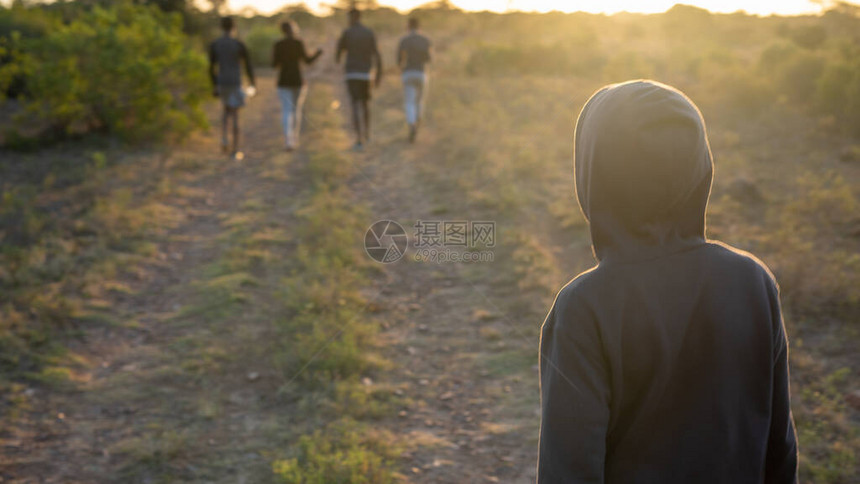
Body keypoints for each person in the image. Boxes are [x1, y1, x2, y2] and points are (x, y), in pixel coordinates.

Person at [537, 80, 798, 483]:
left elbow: (569, 471)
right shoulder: (752, 281)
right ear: (698, 168)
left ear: (595, 174)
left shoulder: (584, 308)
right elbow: (779, 450)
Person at [209, 16, 255, 160]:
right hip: (235, 82)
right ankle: (235, 149)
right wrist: (253, 83)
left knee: (225, 110)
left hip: (222, 82)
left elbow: (211, 68)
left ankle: (224, 138)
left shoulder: (215, 44)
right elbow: (248, 65)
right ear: (234, 27)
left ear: (221, 27)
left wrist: (215, 84)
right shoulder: (238, 44)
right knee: (235, 114)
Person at [272, 20, 322, 151]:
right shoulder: (298, 43)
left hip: (283, 81)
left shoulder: (278, 44)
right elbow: (308, 61)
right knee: (296, 110)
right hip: (297, 80)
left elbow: (273, 64)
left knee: (287, 110)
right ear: (293, 29)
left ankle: (289, 140)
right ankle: (294, 138)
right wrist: (318, 53)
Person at [336, 8, 382, 151]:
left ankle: (358, 139)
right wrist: (379, 74)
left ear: (352, 17)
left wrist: (339, 60)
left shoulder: (347, 33)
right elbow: (377, 55)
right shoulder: (369, 33)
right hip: (366, 74)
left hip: (352, 73)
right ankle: (367, 133)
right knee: (365, 104)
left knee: (355, 104)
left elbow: (338, 54)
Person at [397, 17, 431, 143]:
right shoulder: (425, 40)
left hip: (408, 72)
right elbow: (428, 59)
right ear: (419, 26)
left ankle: (412, 125)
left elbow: (399, 59)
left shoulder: (405, 40)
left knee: (409, 102)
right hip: (421, 72)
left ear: (408, 26)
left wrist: (401, 68)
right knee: (419, 101)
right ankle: (418, 121)